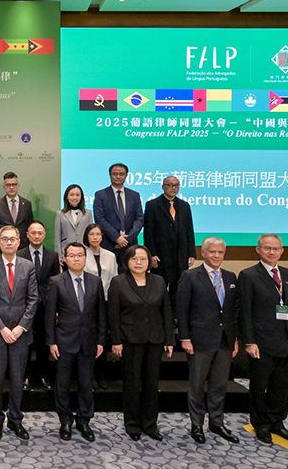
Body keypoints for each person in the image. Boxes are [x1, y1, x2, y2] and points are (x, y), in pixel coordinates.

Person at [239, 233, 288, 445]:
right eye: (267, 248)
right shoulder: (248, 275)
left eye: (276, 248)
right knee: (259, 386)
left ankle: (277, 422)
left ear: (282, 251)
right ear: (258, 250)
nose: (272, 252)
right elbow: (245, 311)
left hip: (287, 341)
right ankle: (260, 424)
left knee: (282, 386)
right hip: (261, 342)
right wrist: (249, 341)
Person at [176, 237, 240, 444]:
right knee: (196, 386)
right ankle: (196, 425)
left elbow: (233, 311)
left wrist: (235, 339)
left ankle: (216, 422)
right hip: (199, 341)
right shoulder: (190, 276)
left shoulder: (230, 277)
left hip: (224, 341)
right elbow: (181, 310)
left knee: (219, 385)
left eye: (220, 252)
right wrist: (185, 337)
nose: (216, 256)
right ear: (203, 253)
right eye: (212, 251)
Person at [107, 244, 174, 441]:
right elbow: (113, 314)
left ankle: (150, 424)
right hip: (130, 340)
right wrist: (115, 341)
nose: (139, 262)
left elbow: (166, 311)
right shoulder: (118, 282)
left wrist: (169, 339)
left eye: (143, 259)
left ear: (149, 262)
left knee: (151, 384)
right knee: (132, 383)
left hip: (155, 339)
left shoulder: (159, 281)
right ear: (127, 261)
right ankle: (132, 424)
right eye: (134, 258)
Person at [0, 225, 39, 440]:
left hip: (21, 335)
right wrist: (2, 328)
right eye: (4, 239)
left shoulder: (28, 266)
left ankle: (15, 419)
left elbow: (33, 300)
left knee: (17, 380)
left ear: (18, 241)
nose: (8, 242)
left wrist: (21, 327)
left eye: (12, 239)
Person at [47, 242, 106, 442]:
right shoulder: (56, 281)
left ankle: (84, 420)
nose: (76, 259)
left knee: (86, 383)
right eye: (72, 255)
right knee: (62, 383)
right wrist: (51, 342)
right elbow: (49, 315)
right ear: (65, 259)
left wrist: (101, 340)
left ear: (85, 258)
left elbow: (101, 313)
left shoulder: (95, 281)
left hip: (89, 341)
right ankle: (65, 420)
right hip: (64, 341)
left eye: (80, 255)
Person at [144, 176, 196, 315]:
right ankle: (160, 316)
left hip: (180, 254)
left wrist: (191, 253)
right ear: (163, 186)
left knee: (178, 288)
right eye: (169, 185)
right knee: (159, 286)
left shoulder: (184, 205)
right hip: (160, 255)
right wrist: (151, 254)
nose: (173, 188)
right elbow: (148, 232)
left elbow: (189, 230)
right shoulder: (152, 205)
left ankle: (175, 317)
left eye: (176, 185)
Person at [17, 220, 59, 390]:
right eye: (33, 233)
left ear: (44, 235)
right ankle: (26, 375)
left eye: (39, 233)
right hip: (24, 306)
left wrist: (56, 308)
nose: (36, 236)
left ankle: (42, 375)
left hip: (46, 306)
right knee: (25, 342)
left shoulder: (53, 256)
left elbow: (56, 283)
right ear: (27, 235)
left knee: (43, 342)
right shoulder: (19, 254)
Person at [83, 223, 118, 389]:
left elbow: (115, 279)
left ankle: (101, 373)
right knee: (90, 338)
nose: (95, 237)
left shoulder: (110, 256)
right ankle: (90, 374)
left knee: (102, 337)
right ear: (87, 237)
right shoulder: (82, 254)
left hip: (107, 301)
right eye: (92, 234)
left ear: (102, 237)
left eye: (98, 234)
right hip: (87, 302)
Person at [93, 163, 143, 263]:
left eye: (121, 174)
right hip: (109, 243)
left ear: (126, 176)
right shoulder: (101, 195)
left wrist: (127, 239)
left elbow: (139, 219)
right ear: (110, 175)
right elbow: (99, 219)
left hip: (130, 245)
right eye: (115, 174)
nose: (118, 177)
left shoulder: (134, 195)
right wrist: (117, 238)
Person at [0, 171, 34, 256]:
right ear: (4, 187)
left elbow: (30, 228)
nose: (11, 187)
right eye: (8, 185)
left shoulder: (27, 204)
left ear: (18, 185)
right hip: (3, 248)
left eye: (14, 184)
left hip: (23, 248)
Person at [54, 184, 93, 265]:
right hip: (66, 254)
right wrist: (59, 255)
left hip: (84, 253)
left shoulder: (88, 213)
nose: (74, 197)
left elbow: (91, 233)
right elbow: (58, 236)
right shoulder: (60, 214)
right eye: (71, 195)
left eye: (77, 195)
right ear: (67, 197)